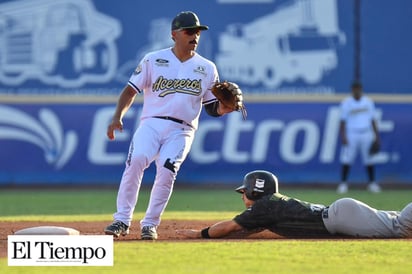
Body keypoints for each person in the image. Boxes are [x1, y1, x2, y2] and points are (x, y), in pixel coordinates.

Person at [104, 11, 239, 240]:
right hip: (151, 123)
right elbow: (130, 90)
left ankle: (149, 224)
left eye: (197, 32)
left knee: (167, 170)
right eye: (189, 31)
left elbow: (210, 106)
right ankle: (122, 220)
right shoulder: (153, 59)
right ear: (174, 34)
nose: (194, 35)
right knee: (136, 161)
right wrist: (117, 116)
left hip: (182, 129)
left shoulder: (207, 67)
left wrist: (223, 109)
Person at [178, 170, 412, 239]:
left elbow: (230, 226)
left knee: (400, 227)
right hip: (342, 215)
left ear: (255, 191)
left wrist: (201, 233)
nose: (242, 196)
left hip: (341, 217)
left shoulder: (265, 206)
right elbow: (245, 229)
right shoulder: (269, 207)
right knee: (398, 220)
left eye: (245, 191)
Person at [337, 82, 381, 194]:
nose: (356, 91)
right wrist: (343, 136)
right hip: (352, 133)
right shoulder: (346, 103)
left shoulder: (368, 102)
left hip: (366, 132)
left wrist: (376, 136)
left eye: (358, 89)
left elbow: (373, 120)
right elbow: (342, 122)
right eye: (354, 89)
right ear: (352, 90)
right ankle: (343, 184)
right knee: (347, 158)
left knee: (369, 159)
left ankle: (372, 184)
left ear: (361, 89)